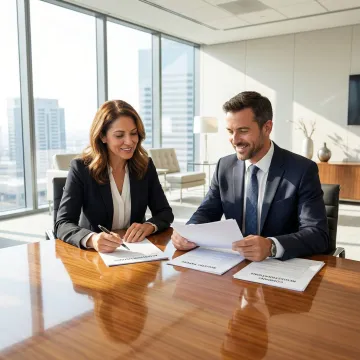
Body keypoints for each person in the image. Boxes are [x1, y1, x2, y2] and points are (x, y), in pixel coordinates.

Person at [171, 91, 329, 261]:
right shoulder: (224, 166)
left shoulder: (302, 170)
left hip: (280, 268)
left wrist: (271, 246)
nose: (235, 139)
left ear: (267, 128)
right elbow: (207, 211)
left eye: (243, 131)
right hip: (234, 265)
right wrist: (189, 231)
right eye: (230, 131)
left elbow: (317, 234)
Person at [55, 100, 173, 252]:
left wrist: (149, 226)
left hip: (136, 251)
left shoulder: (145, 166)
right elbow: (63, 223)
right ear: (103, 136)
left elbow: (165, 212)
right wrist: (92, 239)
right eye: (119, 135)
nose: (129, 141)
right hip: (95, 257)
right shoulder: (82, 169)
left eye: (133, 133)